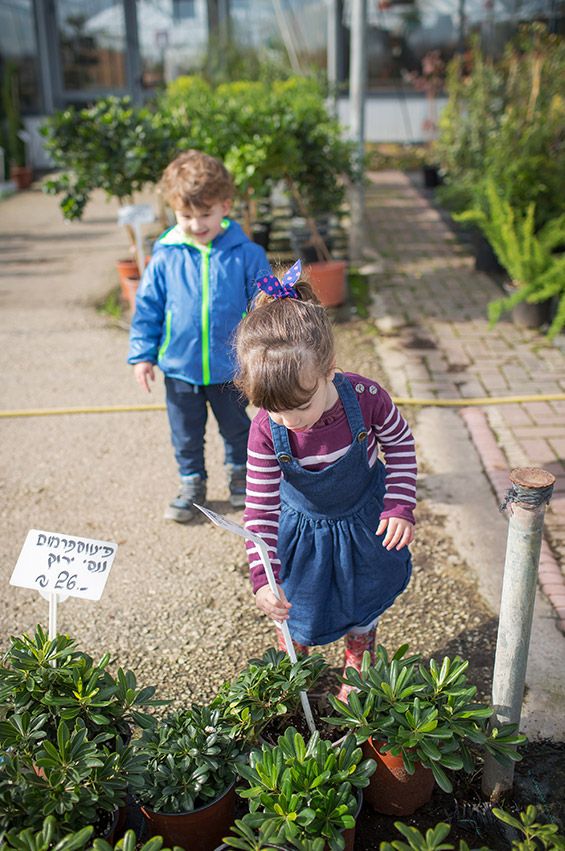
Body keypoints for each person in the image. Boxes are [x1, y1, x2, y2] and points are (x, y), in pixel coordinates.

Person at [234, 261, 416, 701]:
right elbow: (259, 512)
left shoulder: (367, 398)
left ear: (329, 369)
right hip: (303, 533)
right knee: (299, 603)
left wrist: (399, 505)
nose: (288, 422)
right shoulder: (266, 428)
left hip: (363, 521)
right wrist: (263, 579)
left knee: (364, 593)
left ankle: (358, 658)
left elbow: (402, 445)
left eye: (299, 406)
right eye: (275, 410)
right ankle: (293, 665)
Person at [128, 149, 270, 522]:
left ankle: (242, 476)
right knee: (186, 434)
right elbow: (148, 308)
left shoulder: (247, 254)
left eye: (205, 214)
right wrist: (143, 354)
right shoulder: (166, 256)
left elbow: (264, 306)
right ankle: (191, 483)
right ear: (173, 209)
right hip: (180, 368)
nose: (196, 223)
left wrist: (267, 351)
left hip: (231, 368)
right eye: (185, 215)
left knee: (238, 428)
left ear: (225, 206)